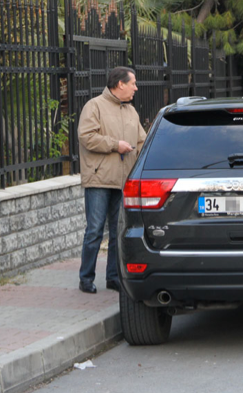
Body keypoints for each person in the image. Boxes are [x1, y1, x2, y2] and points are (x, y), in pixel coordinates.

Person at [78, 67, 146, 294]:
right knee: (95, 231)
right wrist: (115, 145)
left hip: (123, 180)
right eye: (133, 83)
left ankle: (113, 277)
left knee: (118, 232)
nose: (136, 88)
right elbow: (87, 137)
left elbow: (141, 141)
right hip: (99, 180)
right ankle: (86, 278)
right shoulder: (94, 106)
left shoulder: (131, 112)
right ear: (120, 84)